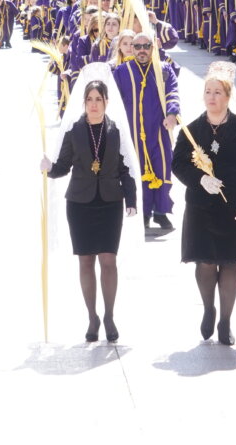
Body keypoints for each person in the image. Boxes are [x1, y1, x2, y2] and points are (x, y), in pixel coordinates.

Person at [171, 62, 236, 347]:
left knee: (230, 262)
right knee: (206, 261)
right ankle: (208, 308)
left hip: (233, 207)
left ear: (228, 95)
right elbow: (177, 163)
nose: (212, 97)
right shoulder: (192, 130)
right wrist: (199, 179)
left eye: (218, 92)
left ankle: (225, 320)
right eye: (208, 91)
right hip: (201, 206)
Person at [42, 79, 137, 343]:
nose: (94, 105)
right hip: (80, 203)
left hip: (109, 202)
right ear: (83, 102)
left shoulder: (116, 131)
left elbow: (125, 168)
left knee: (108, 260)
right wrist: (48, 167)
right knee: (85, 260)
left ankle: (109, 315)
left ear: (107, 102)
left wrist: (131, 199)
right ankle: (92, 317)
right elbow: (62, 167)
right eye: (90, 99)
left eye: (99, 99)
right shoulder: (74, 131)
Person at [112, 32, 180, 232]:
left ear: (153, 48)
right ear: (131, 49)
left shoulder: (164, 69)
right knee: (136, 170)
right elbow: (114, 101)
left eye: (146, 46)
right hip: (133, 133)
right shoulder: (122, 71)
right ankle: (143, 212)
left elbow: (172, 92)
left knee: (162, 168)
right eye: (138, 46)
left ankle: (161, 212)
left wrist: (172, 113)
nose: (142, 50)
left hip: (159, 130)